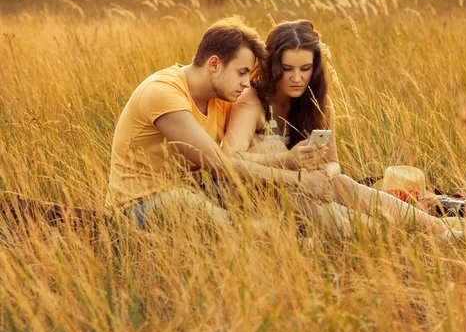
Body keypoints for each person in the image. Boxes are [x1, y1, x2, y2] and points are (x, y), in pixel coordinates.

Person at [222, 20, 465, 238]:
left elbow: (334, 163)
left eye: (305, 68)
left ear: (314, 68)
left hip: (308, 190)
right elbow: (228, 158)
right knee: (271, 147)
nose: (297, 78)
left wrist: (322, 175)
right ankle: (411, 235)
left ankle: (436, 228)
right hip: (261, 192)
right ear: (273, 65)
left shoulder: (319, 103)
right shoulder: (251, 102)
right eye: (287, 69)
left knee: (343, 183)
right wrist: (288, 161)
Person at [106, 17, 334, 228]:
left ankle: (327, 224)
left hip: (197, 191)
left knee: (268, 148)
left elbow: (245, 154)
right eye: (242, 72)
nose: (247, 83)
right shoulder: (163, 92)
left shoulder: (223, 96)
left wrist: (287, 159)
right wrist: (297, 178)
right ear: (214, 64)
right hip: (138, 206)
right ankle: (269, 233)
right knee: (186, 202)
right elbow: (218, 164)